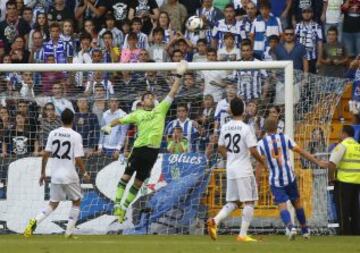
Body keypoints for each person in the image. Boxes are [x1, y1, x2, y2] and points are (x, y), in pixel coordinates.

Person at [100, 61, 188, 223]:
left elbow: (173, 91)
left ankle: (124, 208)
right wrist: (108, 126)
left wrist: (179, 75)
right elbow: (121, 120)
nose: (151, 98)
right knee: (126, 176)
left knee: (139, 182)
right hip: (139, 149)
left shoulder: (160, 109)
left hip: (153, 152)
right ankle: (117, 204)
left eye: (152, 97)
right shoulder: (137, 113)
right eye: (147, 97)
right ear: (141, 102)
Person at [207, 97, 267, 242]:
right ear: (244, 109)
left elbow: (220, 146)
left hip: (231, 168)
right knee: (250, 201)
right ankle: (242, 234)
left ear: (231, 110)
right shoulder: (246, 128)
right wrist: (263, 162)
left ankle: (215, 221)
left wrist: (230, 157)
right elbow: (253, 150)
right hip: (244, 169)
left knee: (235, 202)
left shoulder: (225, 126)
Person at [23, 109, 90, 238]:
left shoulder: (53, 133)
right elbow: (78, 158)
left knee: (53, 204)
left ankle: (35, 221)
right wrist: (85, 172)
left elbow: (45, 154)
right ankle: (69, 232)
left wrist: (43, 173)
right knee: (76, 201)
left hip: (56, 175)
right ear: (73, 120)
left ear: (61, 120)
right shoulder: (76, 135)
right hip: (70, 174)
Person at [257, 118, 326, 240]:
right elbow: (302, 152)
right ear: (277, 127)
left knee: (282, 205)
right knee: (297, 203)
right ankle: (305, 230)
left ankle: (290, 227)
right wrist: (318, 162)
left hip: (276, 181)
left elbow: (259, 164)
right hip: (289, 177)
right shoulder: (285, 138)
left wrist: (257, 182)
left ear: (265, 129)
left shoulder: (261, 144)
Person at [324, 125, 360, 235]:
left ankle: (345, 232)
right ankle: (356, 233)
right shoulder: (358, 146)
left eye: (340, 132)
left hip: (344, 182)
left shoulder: (342, 146)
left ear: (344, 133)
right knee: (355, 210)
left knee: (342, 210)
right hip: (357, 182)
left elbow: (332, 163)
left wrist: (331, 178)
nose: (339, 135)